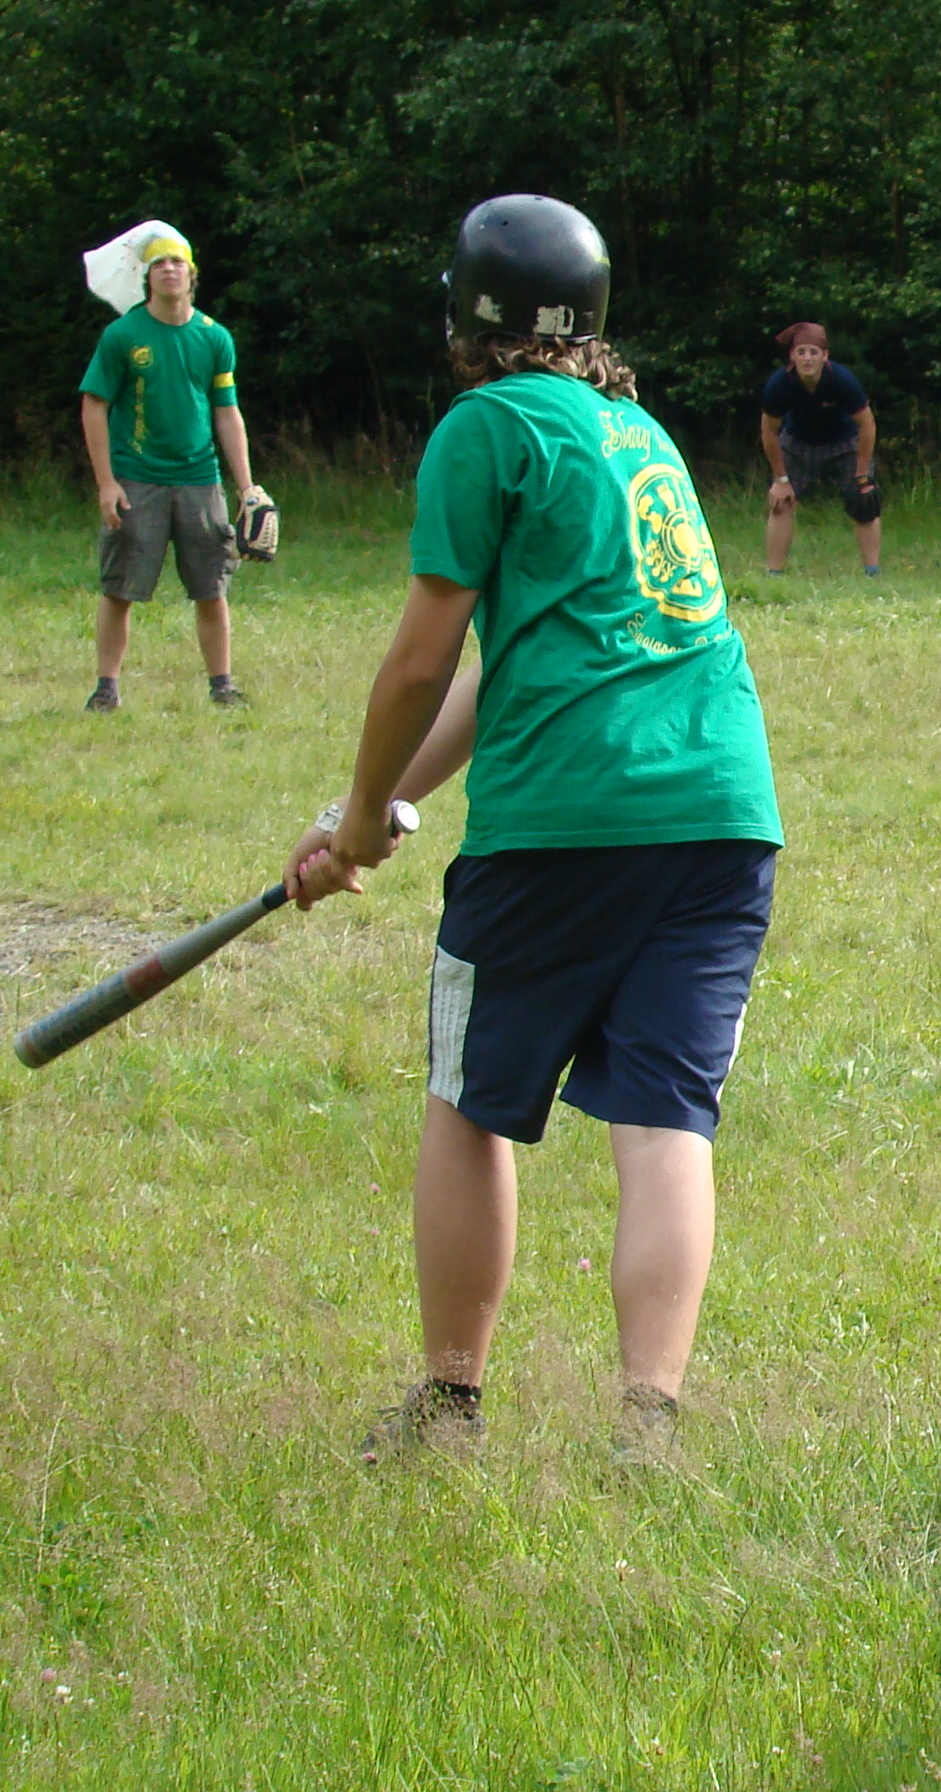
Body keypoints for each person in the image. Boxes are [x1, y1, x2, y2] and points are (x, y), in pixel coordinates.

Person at [286, 196, 783, 1469]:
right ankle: (648, 1421)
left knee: (469, 1104)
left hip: (565, 822)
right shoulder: (638, 434)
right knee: (667, 1120)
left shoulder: (487, 426)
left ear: (468, 316)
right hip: (721, 813)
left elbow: (422, 659)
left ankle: (451, 1408)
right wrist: (376, 811)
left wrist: (358, 815)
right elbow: (507, 669)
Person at [76, 226, 271, 710]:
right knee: (120, 589)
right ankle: (106, 689)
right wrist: (106, 483)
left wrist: (247, 487)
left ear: (192, 274)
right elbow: (94, 404)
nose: (168, 270)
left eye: (177, 262)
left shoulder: (214, 337)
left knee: (212, 588)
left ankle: (222, 686)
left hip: (199, 480)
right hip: (136, 479)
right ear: (147, 277)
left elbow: (226, 411)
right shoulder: (123, 335)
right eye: (159, 263)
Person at [759, 321, 880, 575]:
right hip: (797, 442)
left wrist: (862, 475)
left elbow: (867, 424)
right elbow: (769, 430)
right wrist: (781, 479)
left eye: (813, 352)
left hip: (844, 442)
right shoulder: (779, 384)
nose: (807, 359)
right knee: (781, 503)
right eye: (801, 352)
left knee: (865, 501)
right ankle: (774, 574)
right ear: (792, 356)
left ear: (825, 356)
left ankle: (872, 572)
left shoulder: (843, 380)